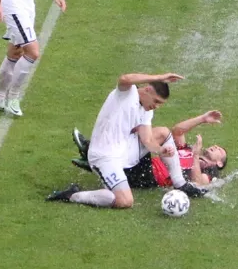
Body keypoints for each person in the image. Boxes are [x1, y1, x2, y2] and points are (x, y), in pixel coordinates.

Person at [45, 72, 206, 209]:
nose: (156, 106)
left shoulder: (146, 110)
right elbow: (125, 78)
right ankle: (73, 194)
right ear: (148, 90)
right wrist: (160, 76)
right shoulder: (127, 93)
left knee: (163, 133)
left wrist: (160, 150)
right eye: (156, 101)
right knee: (125, 201)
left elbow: (148, 140)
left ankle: (180, 184)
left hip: (126, 150)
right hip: (105, 156)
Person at [69, 110, 228, 188]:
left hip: (150, 177)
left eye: (220, 150)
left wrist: (195, 156)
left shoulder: (210, 171)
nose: (215, 146)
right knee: (155, 132)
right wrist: (202, 119)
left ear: (219, 163)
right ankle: (94, 159)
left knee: (159, 133)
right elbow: (178, 131)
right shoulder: (185, 150)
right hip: (141, 165)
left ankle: (91, 151)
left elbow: (199, 182)